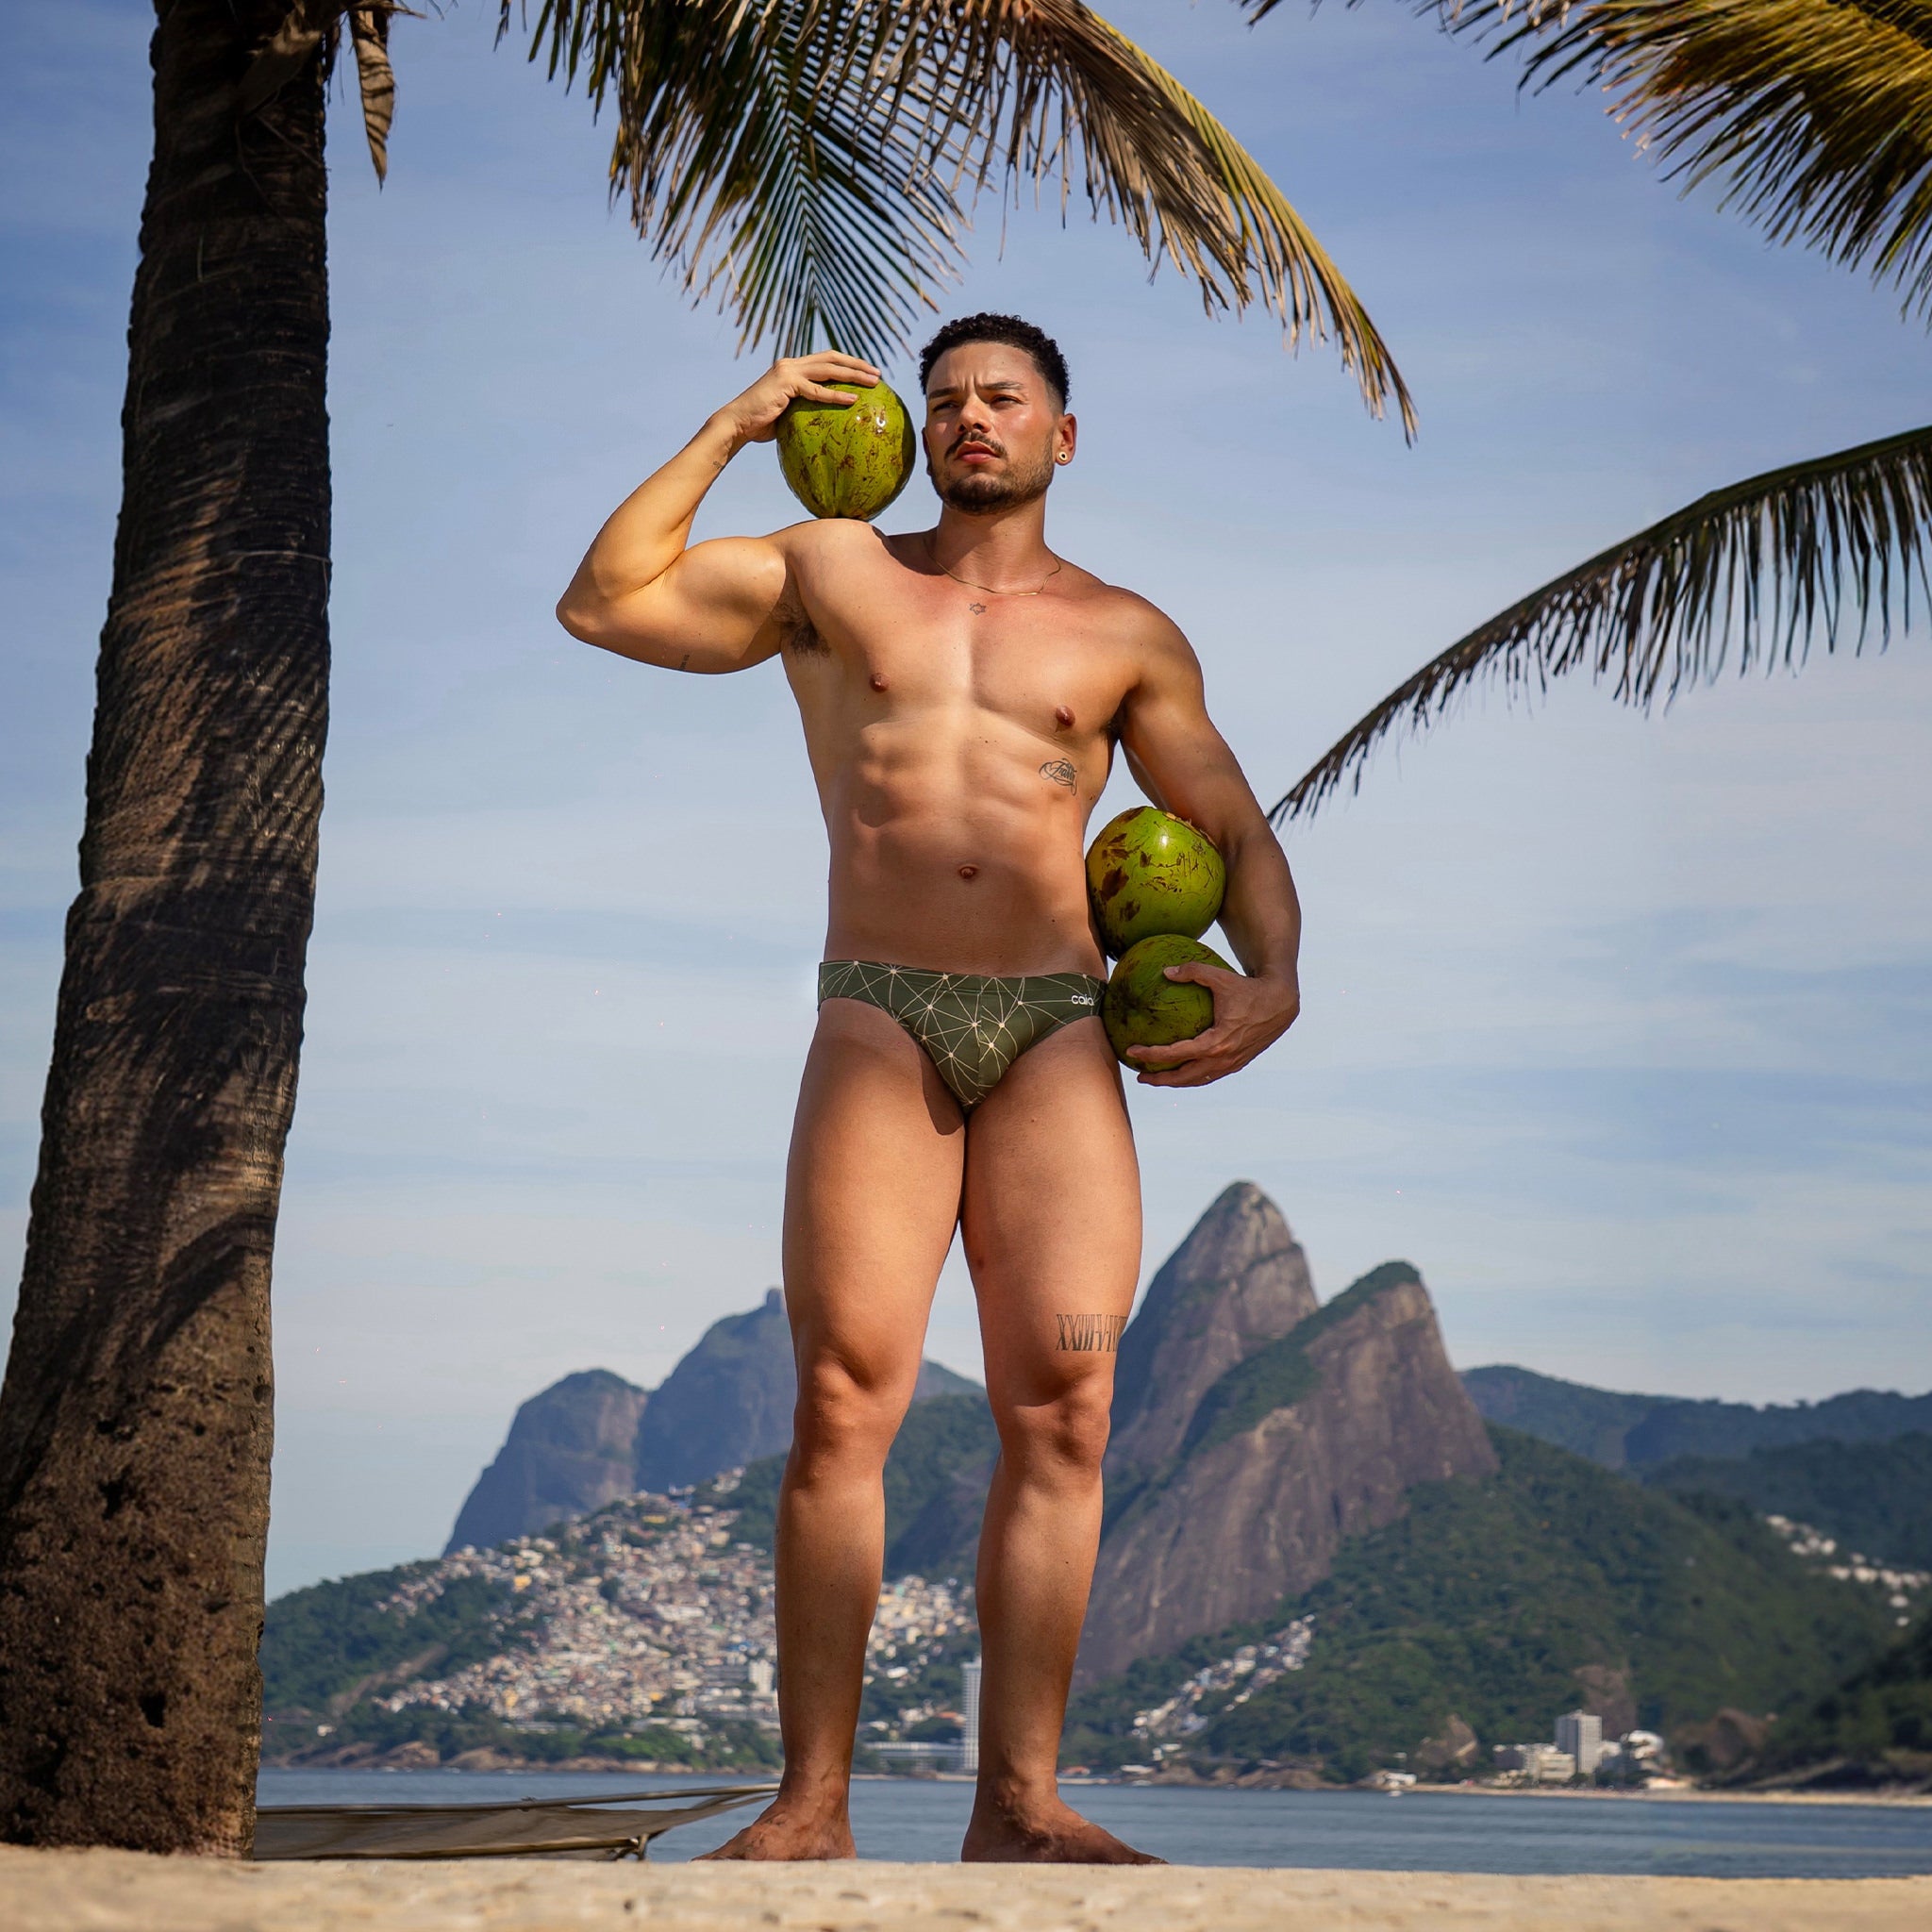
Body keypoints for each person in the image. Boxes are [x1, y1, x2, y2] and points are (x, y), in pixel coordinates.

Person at [557, 315, 1301, 1862]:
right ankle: (811, 1808)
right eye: (948, 397)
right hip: (880, 1014)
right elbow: (604, 599)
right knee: (841, 1402)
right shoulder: (833, 573)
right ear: (917, 424)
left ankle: (1018, 1807)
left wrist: (1276, 979)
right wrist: (736, 422)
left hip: (1053, 1029)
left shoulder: (1126, 633)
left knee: (1069, 1413)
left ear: (1060, 436)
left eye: (1004, 399)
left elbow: (1221, 808)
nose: (972, 419)